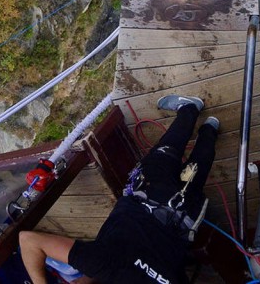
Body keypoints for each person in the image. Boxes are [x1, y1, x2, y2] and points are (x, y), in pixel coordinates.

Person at [19, 95, 219, 284]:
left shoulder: (106, 268)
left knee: (196, 172)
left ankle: (210, 128)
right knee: (168, 151)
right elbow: (28, 241)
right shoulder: (102, 263)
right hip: (151, 195)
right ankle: (189, 109)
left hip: (184, 215)